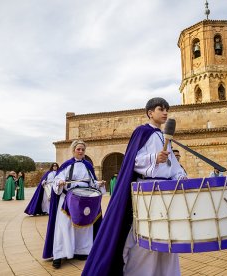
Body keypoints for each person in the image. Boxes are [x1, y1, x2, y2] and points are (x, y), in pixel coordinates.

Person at [83, 97, 186, 276]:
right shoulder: (142, 132)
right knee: (145, 236)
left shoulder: (165, 137)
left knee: (166, 236)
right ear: (150, 113)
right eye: (161, 109)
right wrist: (154, 158)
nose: (165, 112)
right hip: (147, 191)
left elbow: (173, 166)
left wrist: (181, 176)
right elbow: (133, 161)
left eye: (166, 109)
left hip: (166, 192)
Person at [42, 140, 105, 269]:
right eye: (78, 149)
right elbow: (58, 178)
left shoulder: (88, 165)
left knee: (85, 225)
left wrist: (99, 184)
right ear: (73, 150)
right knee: (64, 226)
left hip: (85, 198)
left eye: (82, 149)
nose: (81, 151)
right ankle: (59, 254)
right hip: (68, 198)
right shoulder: (67, 165)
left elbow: (92, 182)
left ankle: (81, 251)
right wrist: (59, 182)